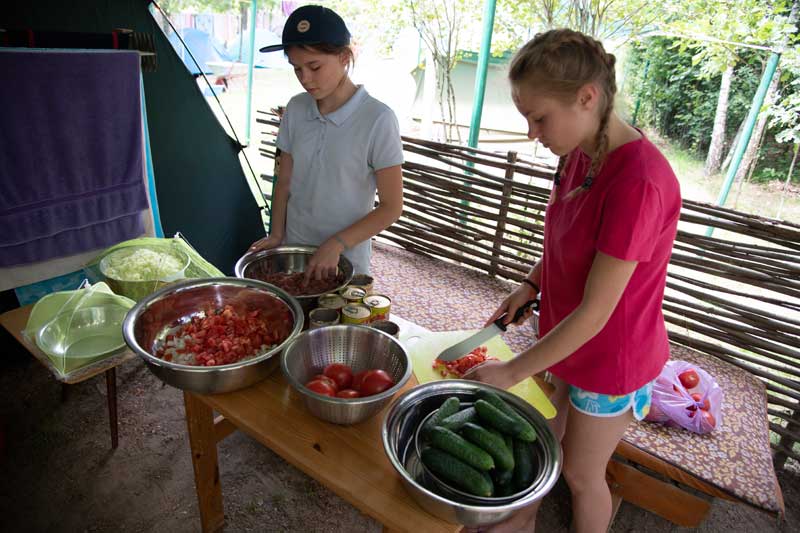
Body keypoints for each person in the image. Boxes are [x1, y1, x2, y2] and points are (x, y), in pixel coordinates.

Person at [463, 29, 681, 533]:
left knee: (583, 475)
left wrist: (512, 371)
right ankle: (519, 522)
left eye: (539, 118)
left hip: (611, 355)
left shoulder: (638, 183)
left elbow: (598, 311)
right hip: (565, 339)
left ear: (587, 98)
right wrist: (532, 285)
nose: (533, 133)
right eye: (527, 119)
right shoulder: (581, 151)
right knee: (541, 446)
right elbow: (567, 244)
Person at [250, 5, 403, 279]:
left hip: (346, 262)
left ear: (344, 56)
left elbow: (392, 206)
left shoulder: (378, 119)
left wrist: (337, 243)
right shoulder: (295, 109)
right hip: (294, 254)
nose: (305, 79)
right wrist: (276, 234)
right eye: (296, 69)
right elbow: (283, 181)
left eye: (314, 66)